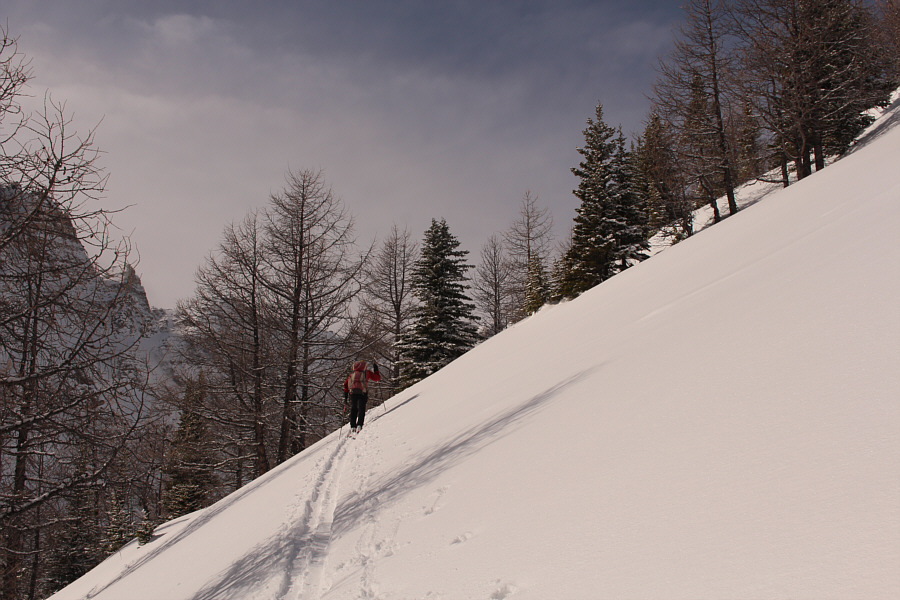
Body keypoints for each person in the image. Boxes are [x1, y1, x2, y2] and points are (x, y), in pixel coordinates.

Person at [343, 360, 381, 434]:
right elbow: (377, 378)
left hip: (353, 393)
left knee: (354, 408)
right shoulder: (367, 373)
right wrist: (376, 370)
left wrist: (346, 396)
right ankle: (359, 425)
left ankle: (353, 426)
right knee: (361, 408)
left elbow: (346, 384)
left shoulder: (352, 374)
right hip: (363, 393)